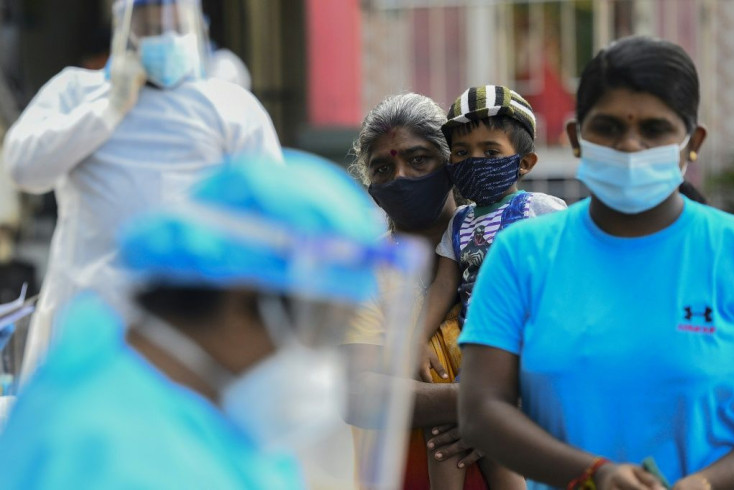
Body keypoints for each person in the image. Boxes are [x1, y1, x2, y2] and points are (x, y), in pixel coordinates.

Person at [0, 150, 415, 488]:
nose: (326, 362)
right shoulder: (121, 459)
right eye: (322, 330)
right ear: (245, 300)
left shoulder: (133, 371)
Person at [457, 35, 734, 490]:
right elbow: (481, 410)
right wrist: (594, 474)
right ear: (576, 138)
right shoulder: (521, 254)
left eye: (654, 129)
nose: (629, 145)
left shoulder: (728, 251)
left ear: (692, 143)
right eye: (607, 127)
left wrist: (704, 483)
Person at [1, 0, 282, 381]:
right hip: (85, 322)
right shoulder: (75, 91)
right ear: (125, 30)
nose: (163, 36)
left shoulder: (230, 106)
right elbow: (24, 169)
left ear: (196, 29)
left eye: (174, 26)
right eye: (149, 25)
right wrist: (108, 108)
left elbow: (272, 213)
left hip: (188, 325)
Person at [347, 92, 526, 490]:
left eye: (418, 159)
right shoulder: (364, 275)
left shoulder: (510, 244)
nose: (401, 177)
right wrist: (475, 406)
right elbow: (359, 394)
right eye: (382, 167)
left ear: (452, 165)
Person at [418, 85, 566, 489]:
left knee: (497, 442)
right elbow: (444, 286)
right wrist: (415, 339)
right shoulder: (459, 223)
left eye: (490, 152)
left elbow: (561, 286)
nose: (474, 161)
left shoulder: (541, 211)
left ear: (525, 162)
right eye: (462, 154)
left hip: (524, 353)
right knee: (443, 433)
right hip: (475, 353)